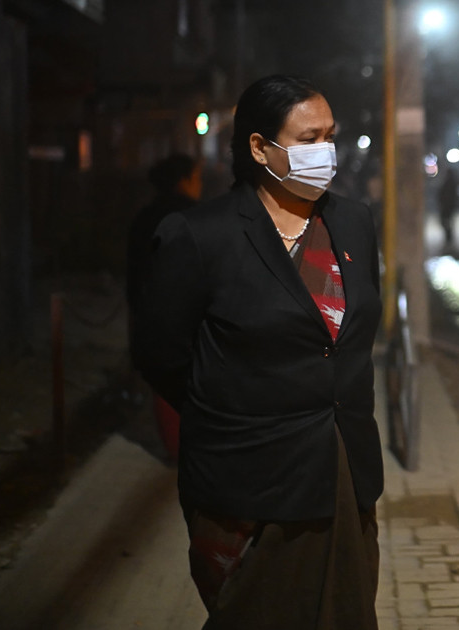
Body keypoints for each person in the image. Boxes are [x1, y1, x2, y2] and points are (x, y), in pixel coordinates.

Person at [131, 75, 384, 629]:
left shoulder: (352, 223)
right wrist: (239, 409)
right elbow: (161, 353)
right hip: (251, 480)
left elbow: (358, 333)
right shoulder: (201, 235)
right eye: (308, 138)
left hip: (342, 469)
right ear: (258, 147)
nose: (326, 152)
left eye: (330, 136)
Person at [127, 153, 202, 463]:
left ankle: (175, 448)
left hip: (152, 315)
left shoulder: (144, 217)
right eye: (196, 178)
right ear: (184, 180)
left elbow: (135, 271)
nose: (199, 185)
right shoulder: (196, 216)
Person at [437, 166, 459, 247]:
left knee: (447, 224)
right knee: (447, 224)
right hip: (447, 208)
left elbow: (448, 197)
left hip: (447, 208)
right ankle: (448, 241)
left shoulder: (449, 184)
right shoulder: (450, 183)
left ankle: (449, 241)